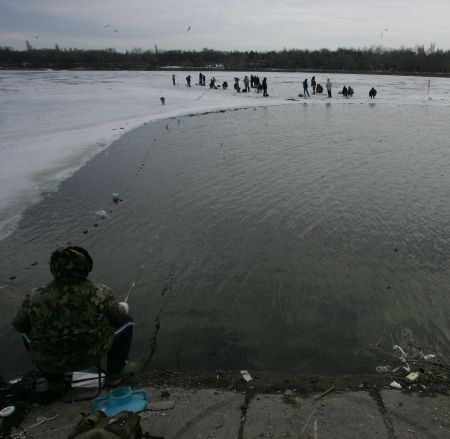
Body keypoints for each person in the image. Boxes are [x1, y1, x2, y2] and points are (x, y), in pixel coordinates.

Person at [13, 247, 135, 389]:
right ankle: (114, 375)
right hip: (92, 354)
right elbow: (117, 317)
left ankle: (55, 383)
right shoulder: (100, 292)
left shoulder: (35, 296)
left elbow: (19, 325)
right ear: (86, 268)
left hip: (52, 361)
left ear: (53, 269)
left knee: (26, 333)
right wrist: (123, 307)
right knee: (127, 322)